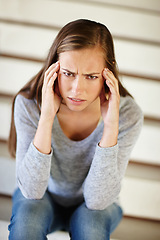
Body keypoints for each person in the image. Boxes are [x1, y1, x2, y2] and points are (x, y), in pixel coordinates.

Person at [8, 19, 143, 240]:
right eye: (68, 73)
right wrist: (47, 117)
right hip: (42, 198)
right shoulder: (30, 105)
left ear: (107, 75)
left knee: (90, 226)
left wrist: (110, 127)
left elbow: (97, 201)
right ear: (55, 68)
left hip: (95, 206)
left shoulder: (128, 115)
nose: (76, 89)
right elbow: (32, 192)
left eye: (91, 77)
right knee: (26, 223)